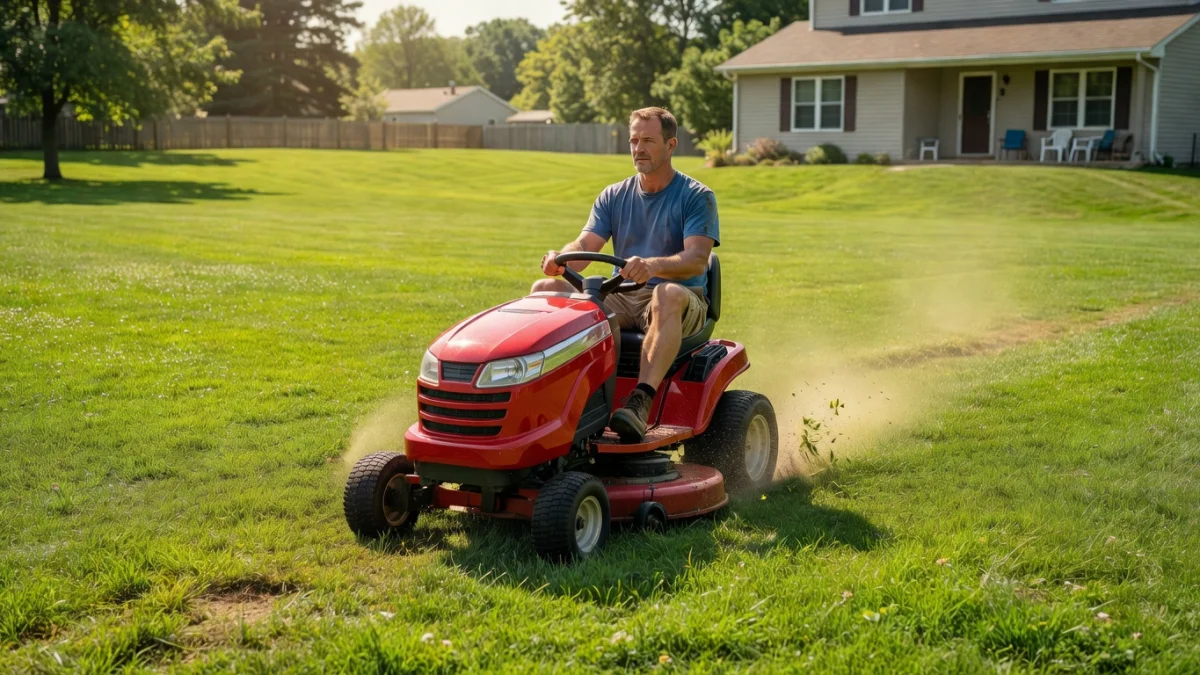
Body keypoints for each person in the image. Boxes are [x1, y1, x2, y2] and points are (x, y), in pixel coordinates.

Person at [532, 107, 720, 443]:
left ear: (671, 144)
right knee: (545, 288)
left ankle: (640, 402)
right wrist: (559, 259)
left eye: (648, 140)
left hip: (680, 298)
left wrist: (653, 266)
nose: (638, 148)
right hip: (625, 291)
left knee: (666, 294)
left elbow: (696, 260)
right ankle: (544, 395)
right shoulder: (614, 195)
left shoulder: (696, 196)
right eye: (634, 140)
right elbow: (585, 243)